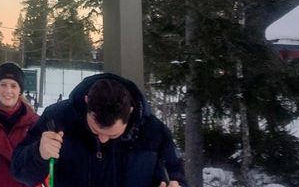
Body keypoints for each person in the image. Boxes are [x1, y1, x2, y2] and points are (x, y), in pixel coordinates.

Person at [11, 72, 185, 187]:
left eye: (113, 134)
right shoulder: (57, 118)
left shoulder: (153, 132)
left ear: (130, 111)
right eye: (95, 131)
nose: (102, 140)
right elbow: (20, 173)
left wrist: (177, 183)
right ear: (87, 101)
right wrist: (38, 153)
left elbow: (176, 173)